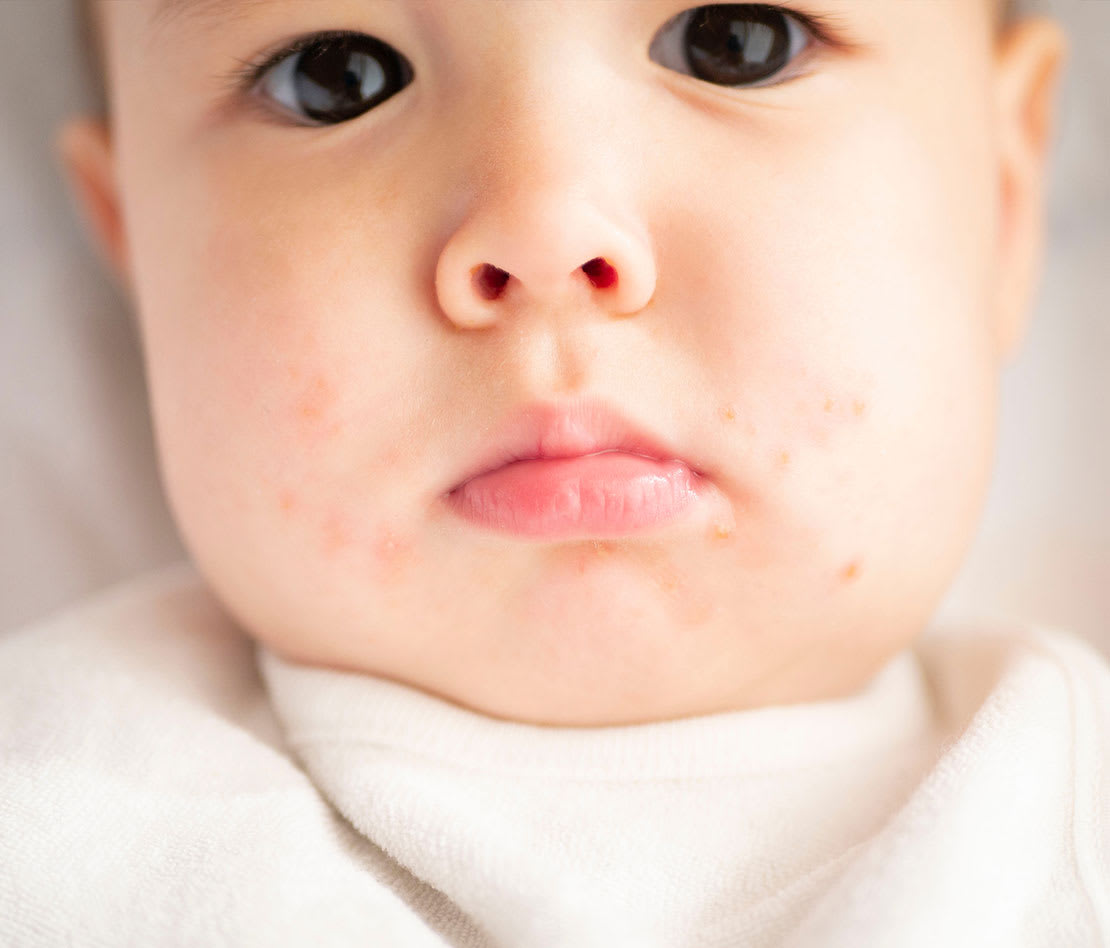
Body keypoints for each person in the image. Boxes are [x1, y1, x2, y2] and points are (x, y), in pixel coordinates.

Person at [1, 0, 1106, 944]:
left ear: (1003, 193)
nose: (544, 229)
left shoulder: (1069, 824)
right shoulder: (54, 816)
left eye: (736, 42)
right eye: (337, 78)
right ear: (136, 246)